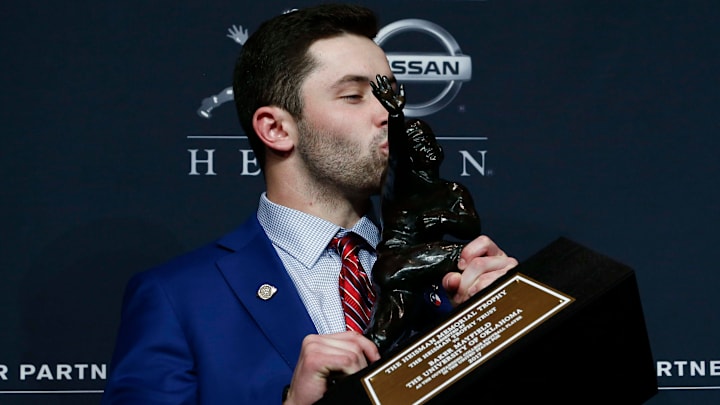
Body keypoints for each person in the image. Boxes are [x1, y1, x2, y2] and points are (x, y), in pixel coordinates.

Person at [101, 4, 518, 405]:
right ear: (277, 128)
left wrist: (505, 323)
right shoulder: (178, 299)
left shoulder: (455, 282)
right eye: (354, 96)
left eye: (391, 95)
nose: (390, 116)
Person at [365, 75, 485, 355]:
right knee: (468, 257)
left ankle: (344, 381)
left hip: (417, 278)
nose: (426, 147)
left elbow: (472, 226)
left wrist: (445, 218)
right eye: (417, 144)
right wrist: (395, 115)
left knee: (382, 338)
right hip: (395, 264)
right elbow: (395, 158)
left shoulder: (453, 191)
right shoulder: (402, 185)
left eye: (428, 141)